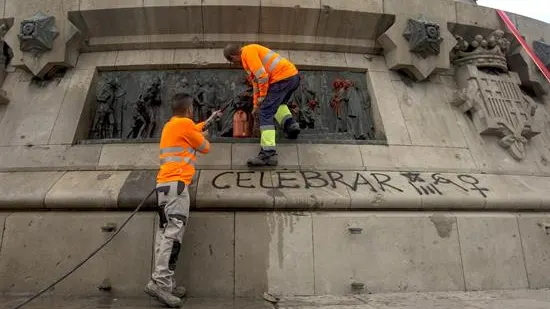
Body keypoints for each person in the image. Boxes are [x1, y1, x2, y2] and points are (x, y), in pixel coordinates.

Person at [144, 93, 221, 308]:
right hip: (177, 187)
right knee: (173, 235)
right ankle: (159, 283)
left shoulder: (171, 126)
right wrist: (207, 131)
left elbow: (193, 130)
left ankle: (165, 283)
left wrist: (208, 121)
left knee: (165, 233)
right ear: (189, 111)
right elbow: (205, 147)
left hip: (164, 186)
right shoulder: (186, 125)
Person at [223, 43, 301, 166]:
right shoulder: (248, 56)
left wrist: (263, 98)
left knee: (265, 112)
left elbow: (262, 77)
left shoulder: (247, 53)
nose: (234, 64)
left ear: (233, 56)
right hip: (292, 76)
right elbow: (256, 84)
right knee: (278, 104)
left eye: (232, 61)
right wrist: (255, 105)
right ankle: (291, 125)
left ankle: (268, 153)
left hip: (281, 78)